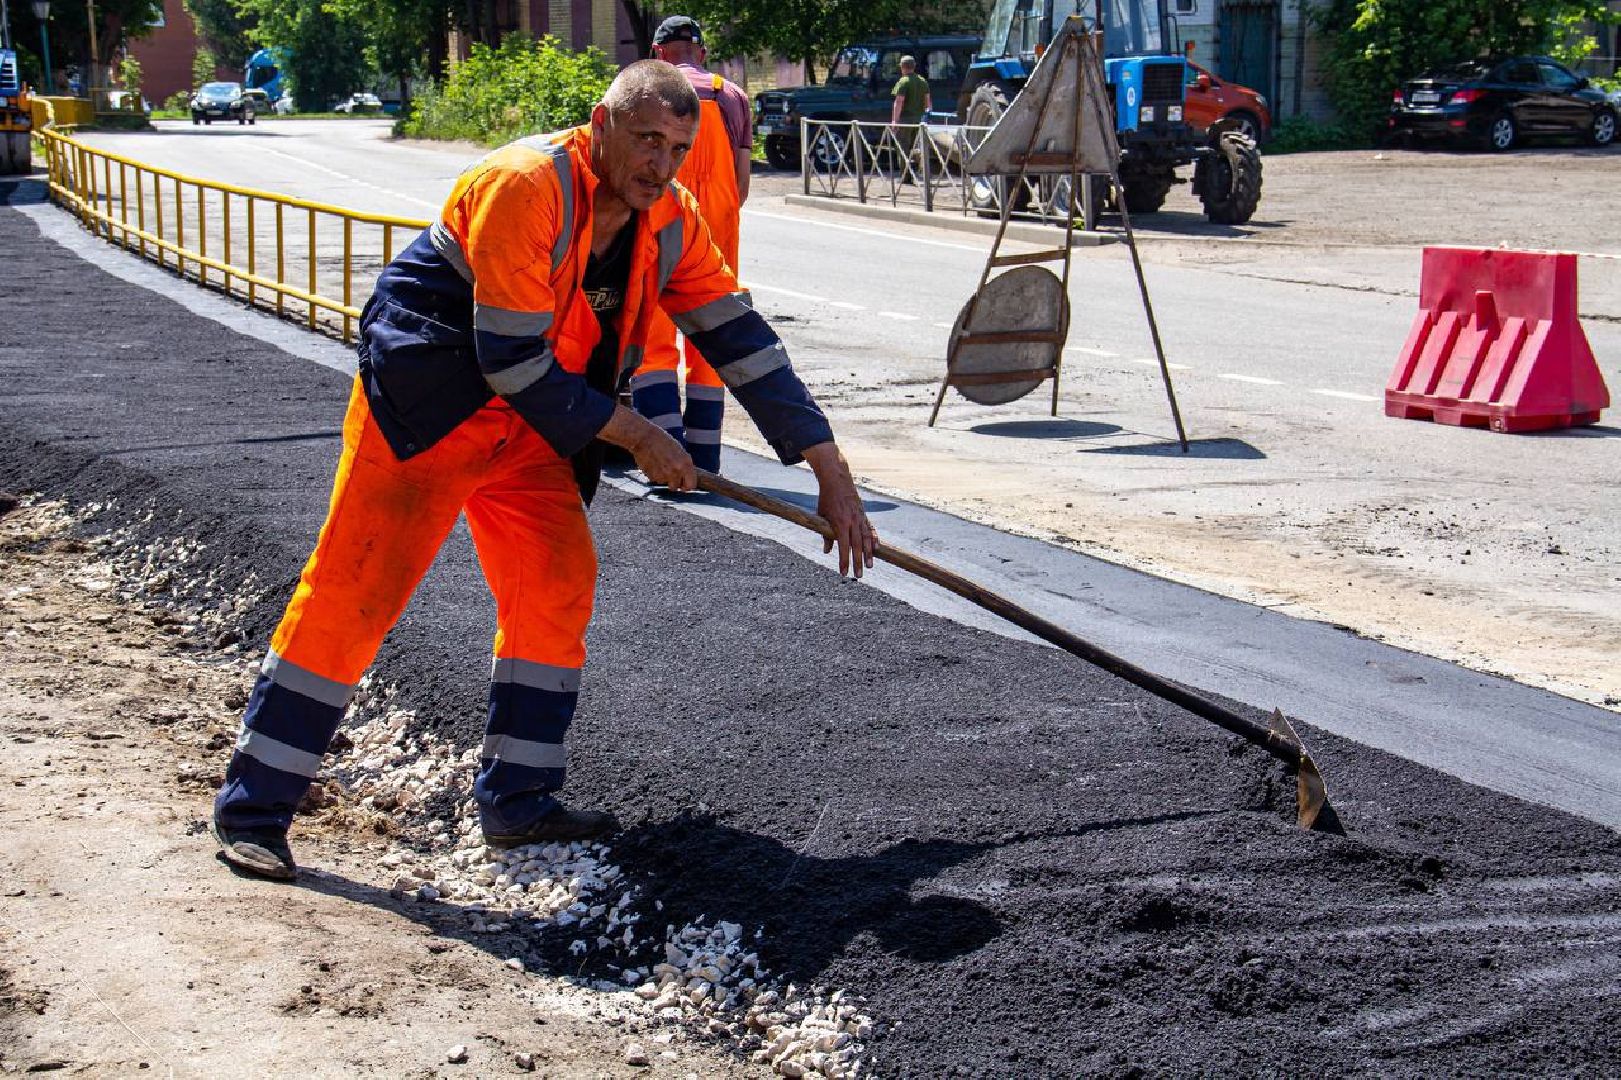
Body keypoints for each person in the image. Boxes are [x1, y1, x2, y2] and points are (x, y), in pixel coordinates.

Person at [209, 60, 877, 881]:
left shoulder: (668, 215)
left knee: (556, 584)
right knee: (356, 589)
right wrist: (636, 434)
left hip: (538, 427)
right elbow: (511, 356)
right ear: (601, 123)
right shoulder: (525, 185)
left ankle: (518, 799)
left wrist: (827, 464)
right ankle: (255, 809)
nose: (659, 166)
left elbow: (734, 335)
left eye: (676, 148)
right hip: (432, 412)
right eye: (645, 141)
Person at [630, 15, 753, 475]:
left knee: (651, 339)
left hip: (654, 225)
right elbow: (740, 187)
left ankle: (665, 463)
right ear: (700, 52)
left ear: (659, 54)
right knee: (711, 340)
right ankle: (704, 460)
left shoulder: (643, 92)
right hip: (716, 238)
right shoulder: (733, 96)